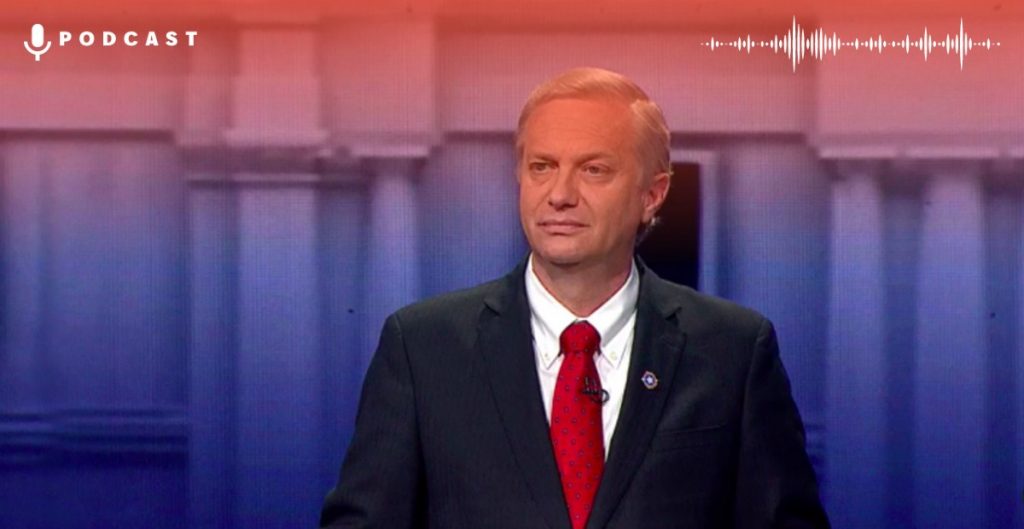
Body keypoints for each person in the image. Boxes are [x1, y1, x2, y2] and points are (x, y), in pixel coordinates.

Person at [319, 67, 830, 529]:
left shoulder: (733, 351)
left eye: (593, 170)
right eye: (542, 167)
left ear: (652, 195)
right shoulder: (424, 348)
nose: (560, 194)